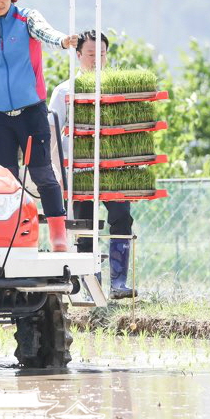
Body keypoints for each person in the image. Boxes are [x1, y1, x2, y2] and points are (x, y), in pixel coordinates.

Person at [0, 0, 79, 252]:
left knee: (43, 173)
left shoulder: (26, 18)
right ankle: (11, 235)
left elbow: (46, 32)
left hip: (31, 112)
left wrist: (64, 41)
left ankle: (57, 236)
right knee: (6, 178)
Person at [48, 30, 136, 299]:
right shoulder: (64, 92)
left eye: (102, 54)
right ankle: (91, 287)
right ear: (77, 55)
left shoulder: (116, 90)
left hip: (113, 170)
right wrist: (57, 174)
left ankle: (119, 284)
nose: (96, 60)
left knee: (122, 219)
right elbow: (52, 134)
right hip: (79, 172)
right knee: (85, 227)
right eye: (90, 54)